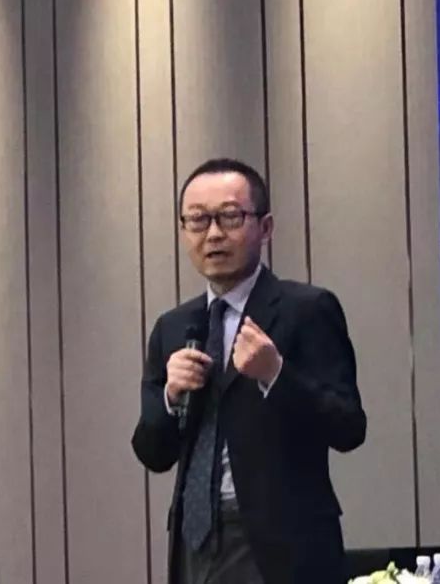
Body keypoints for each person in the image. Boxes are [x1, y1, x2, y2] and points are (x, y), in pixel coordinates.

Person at [132, 157, 366, 584]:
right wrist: (169, 397)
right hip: (193, 540)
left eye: (230, 217)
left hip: (282, 546)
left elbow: (349, 427)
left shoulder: (307, 310)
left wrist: (276, 374)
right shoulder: (173, 328)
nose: (213, 234)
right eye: (198, 220)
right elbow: (152, 452)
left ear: (266, 227)